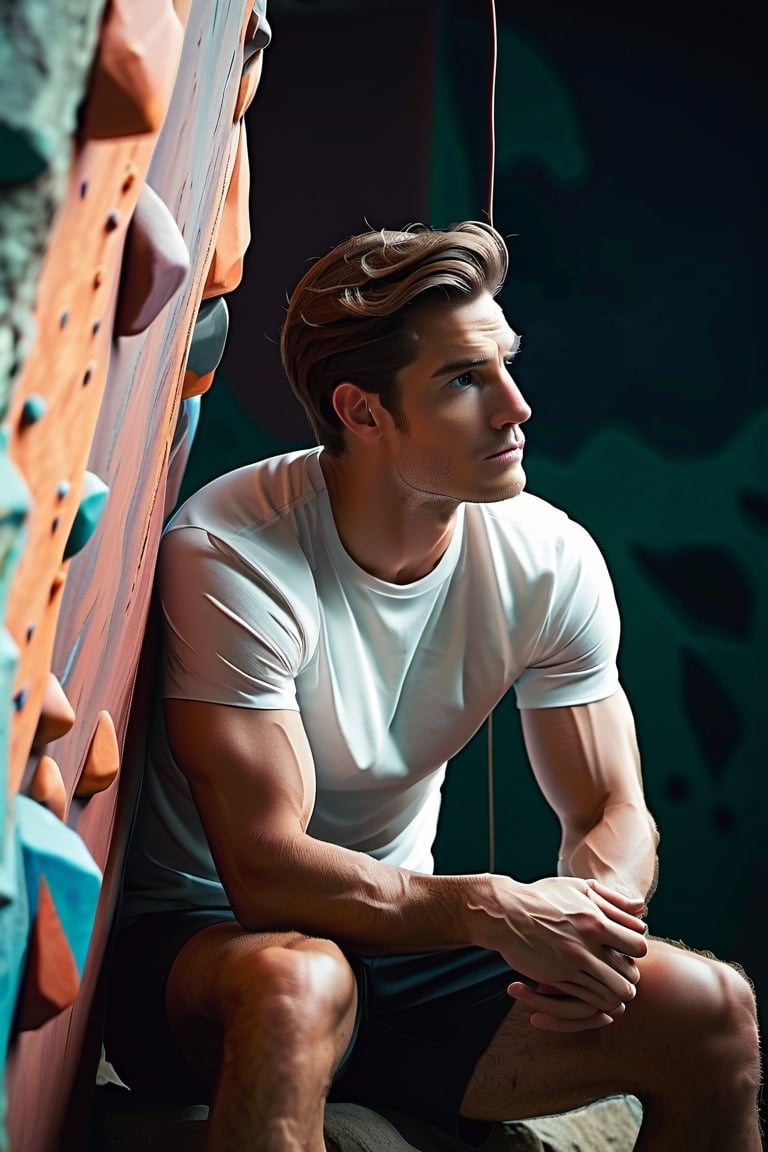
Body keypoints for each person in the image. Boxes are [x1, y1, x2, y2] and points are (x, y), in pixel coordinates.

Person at [105, 221, 761, 1152]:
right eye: (464, 380)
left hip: (399, 947)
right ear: (362, 411)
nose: (516, 407)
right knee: (300, 985)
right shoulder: (234, 557)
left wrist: (593, 932)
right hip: (206, 952)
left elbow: (613, 809)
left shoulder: (547, 557)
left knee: (713, 1007)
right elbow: (265, 873)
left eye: (507, 365)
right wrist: (495, 909)